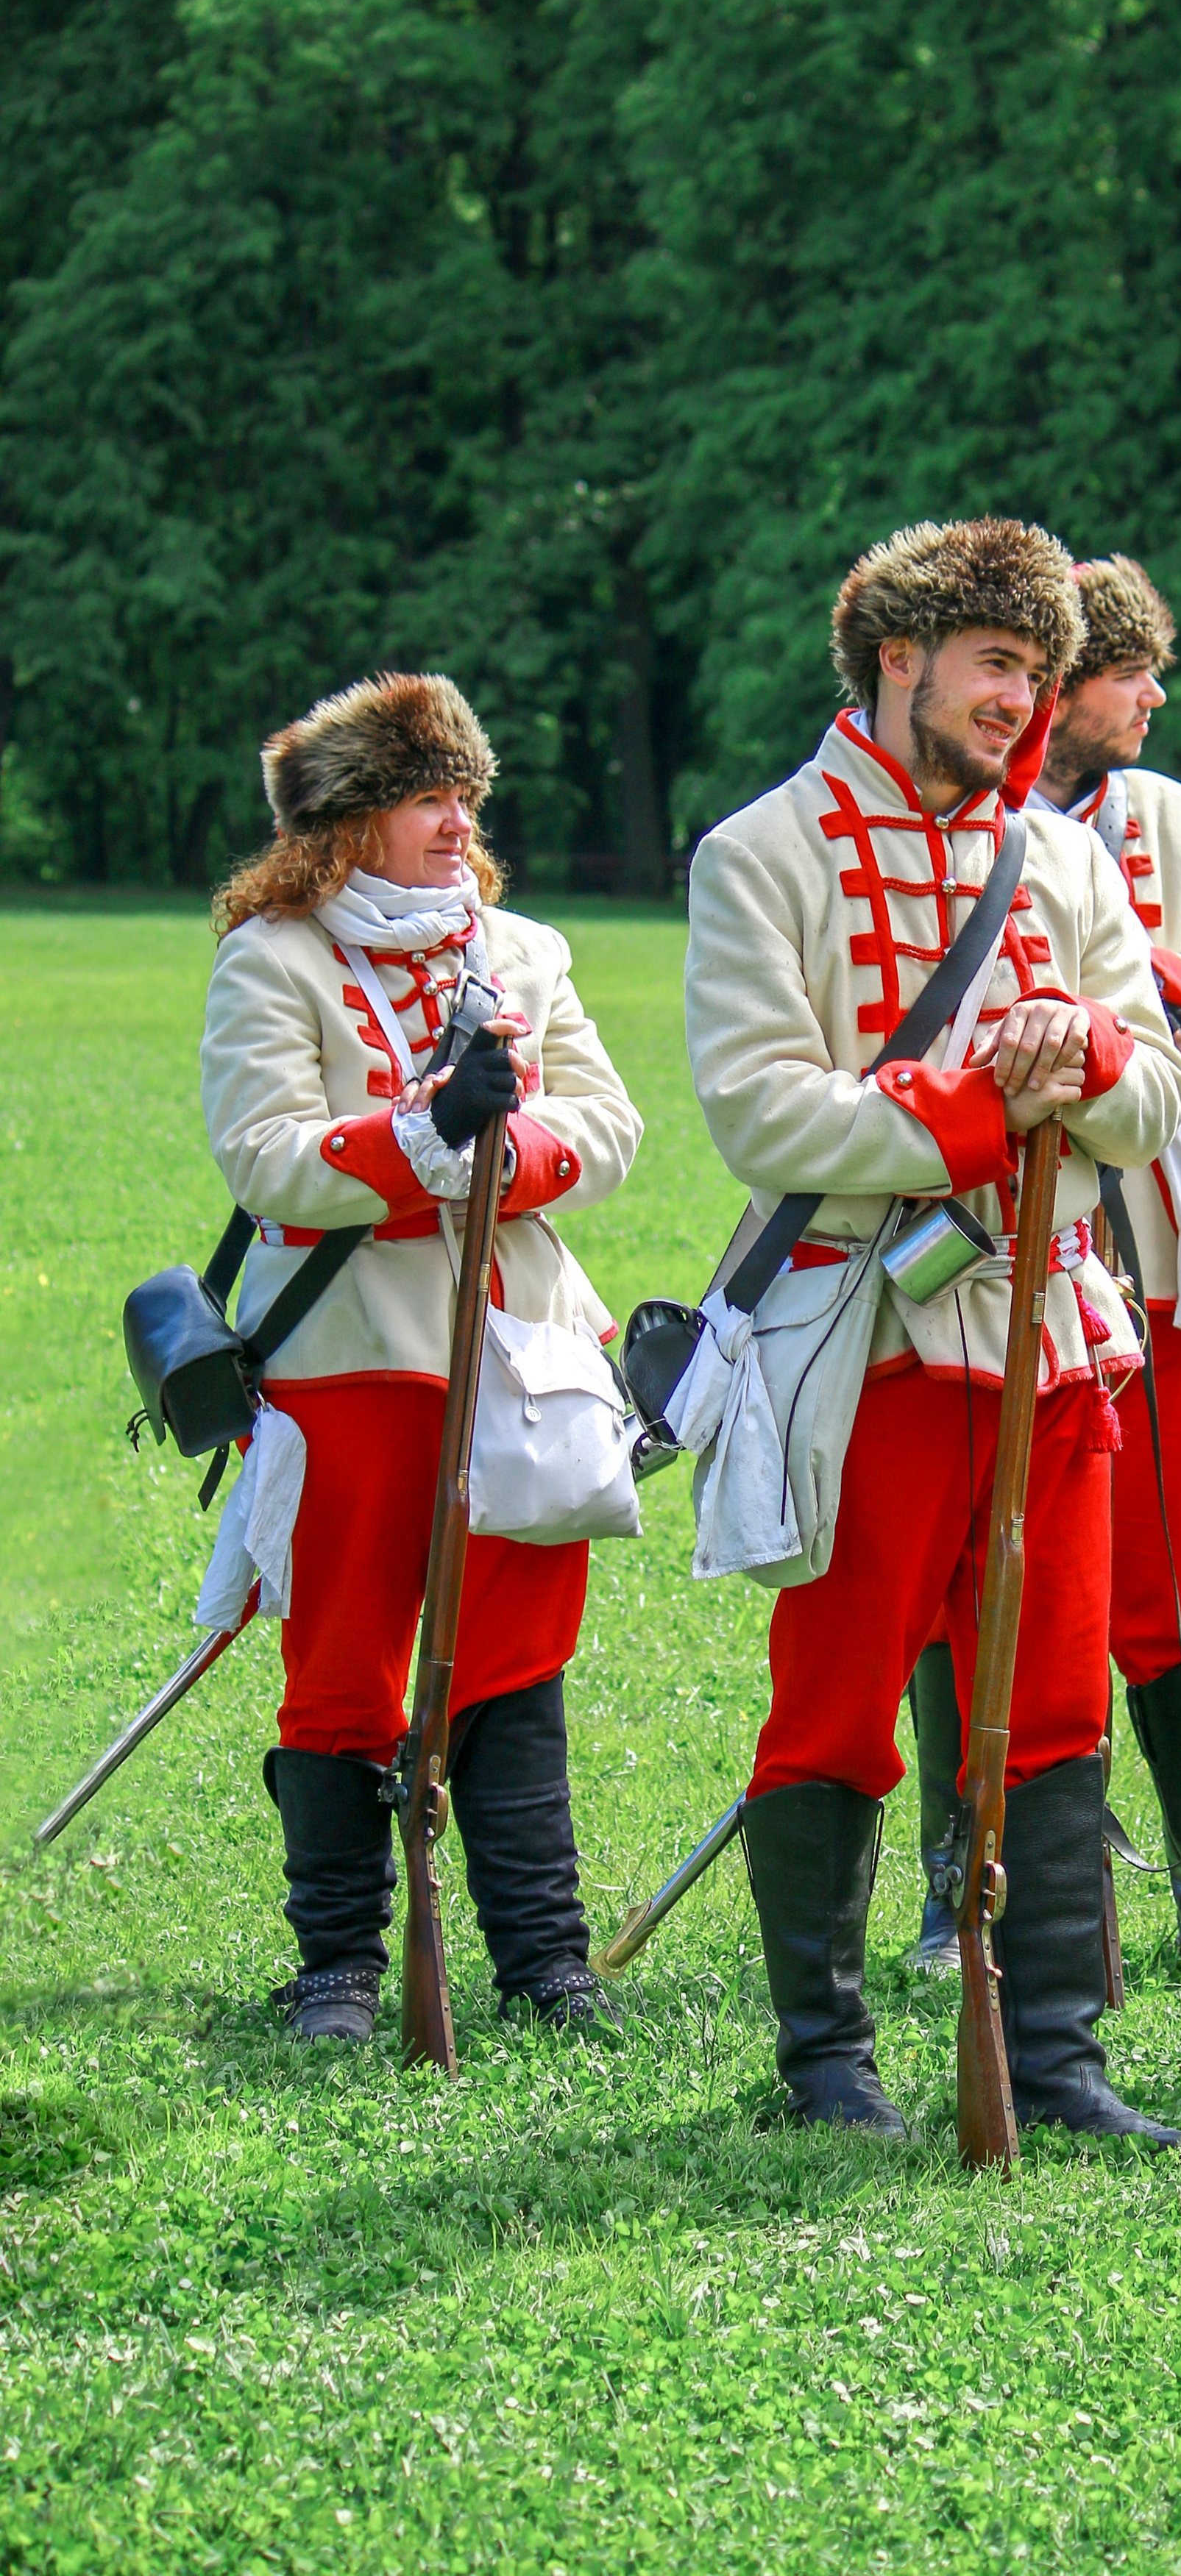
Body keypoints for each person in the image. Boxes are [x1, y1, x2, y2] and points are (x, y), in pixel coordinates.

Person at [684, 517, 1181, 2159]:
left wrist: (1089, 1056)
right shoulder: (759, 850)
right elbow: (761, 1110)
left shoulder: (1057, 856)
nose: (1020, 701)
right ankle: (824, 2059)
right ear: (896, 657)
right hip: (862, 1332)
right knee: (838, 1704)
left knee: (1054, 1701)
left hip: (1052, 1333)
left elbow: (1151, 1095)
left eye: (1039, 673)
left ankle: (1053, 2061)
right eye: (995, 664)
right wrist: (981, 1100)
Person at [903, 555, 1181, 1980]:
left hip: (1167, 1246)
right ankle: (957, 1885)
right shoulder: (942, 823)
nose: (1148, 696)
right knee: (962, 1563)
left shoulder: (1172, 824)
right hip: (993, 1249)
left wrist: (1139, 984)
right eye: (1125, 673)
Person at [201, 672, 642, 2041]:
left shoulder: (528, 952)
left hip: (520, 1351)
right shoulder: (272, 959)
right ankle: (338, 1965)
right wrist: (432, 1132)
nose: (457, 823)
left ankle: (544, 1959)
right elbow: (266, 1156)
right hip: (349, 1359)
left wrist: (511, 1150)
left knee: (516, 1651)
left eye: (464, 797)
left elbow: (612, 1128)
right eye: (424, 799)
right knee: (341, 1659)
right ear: (343, 827)